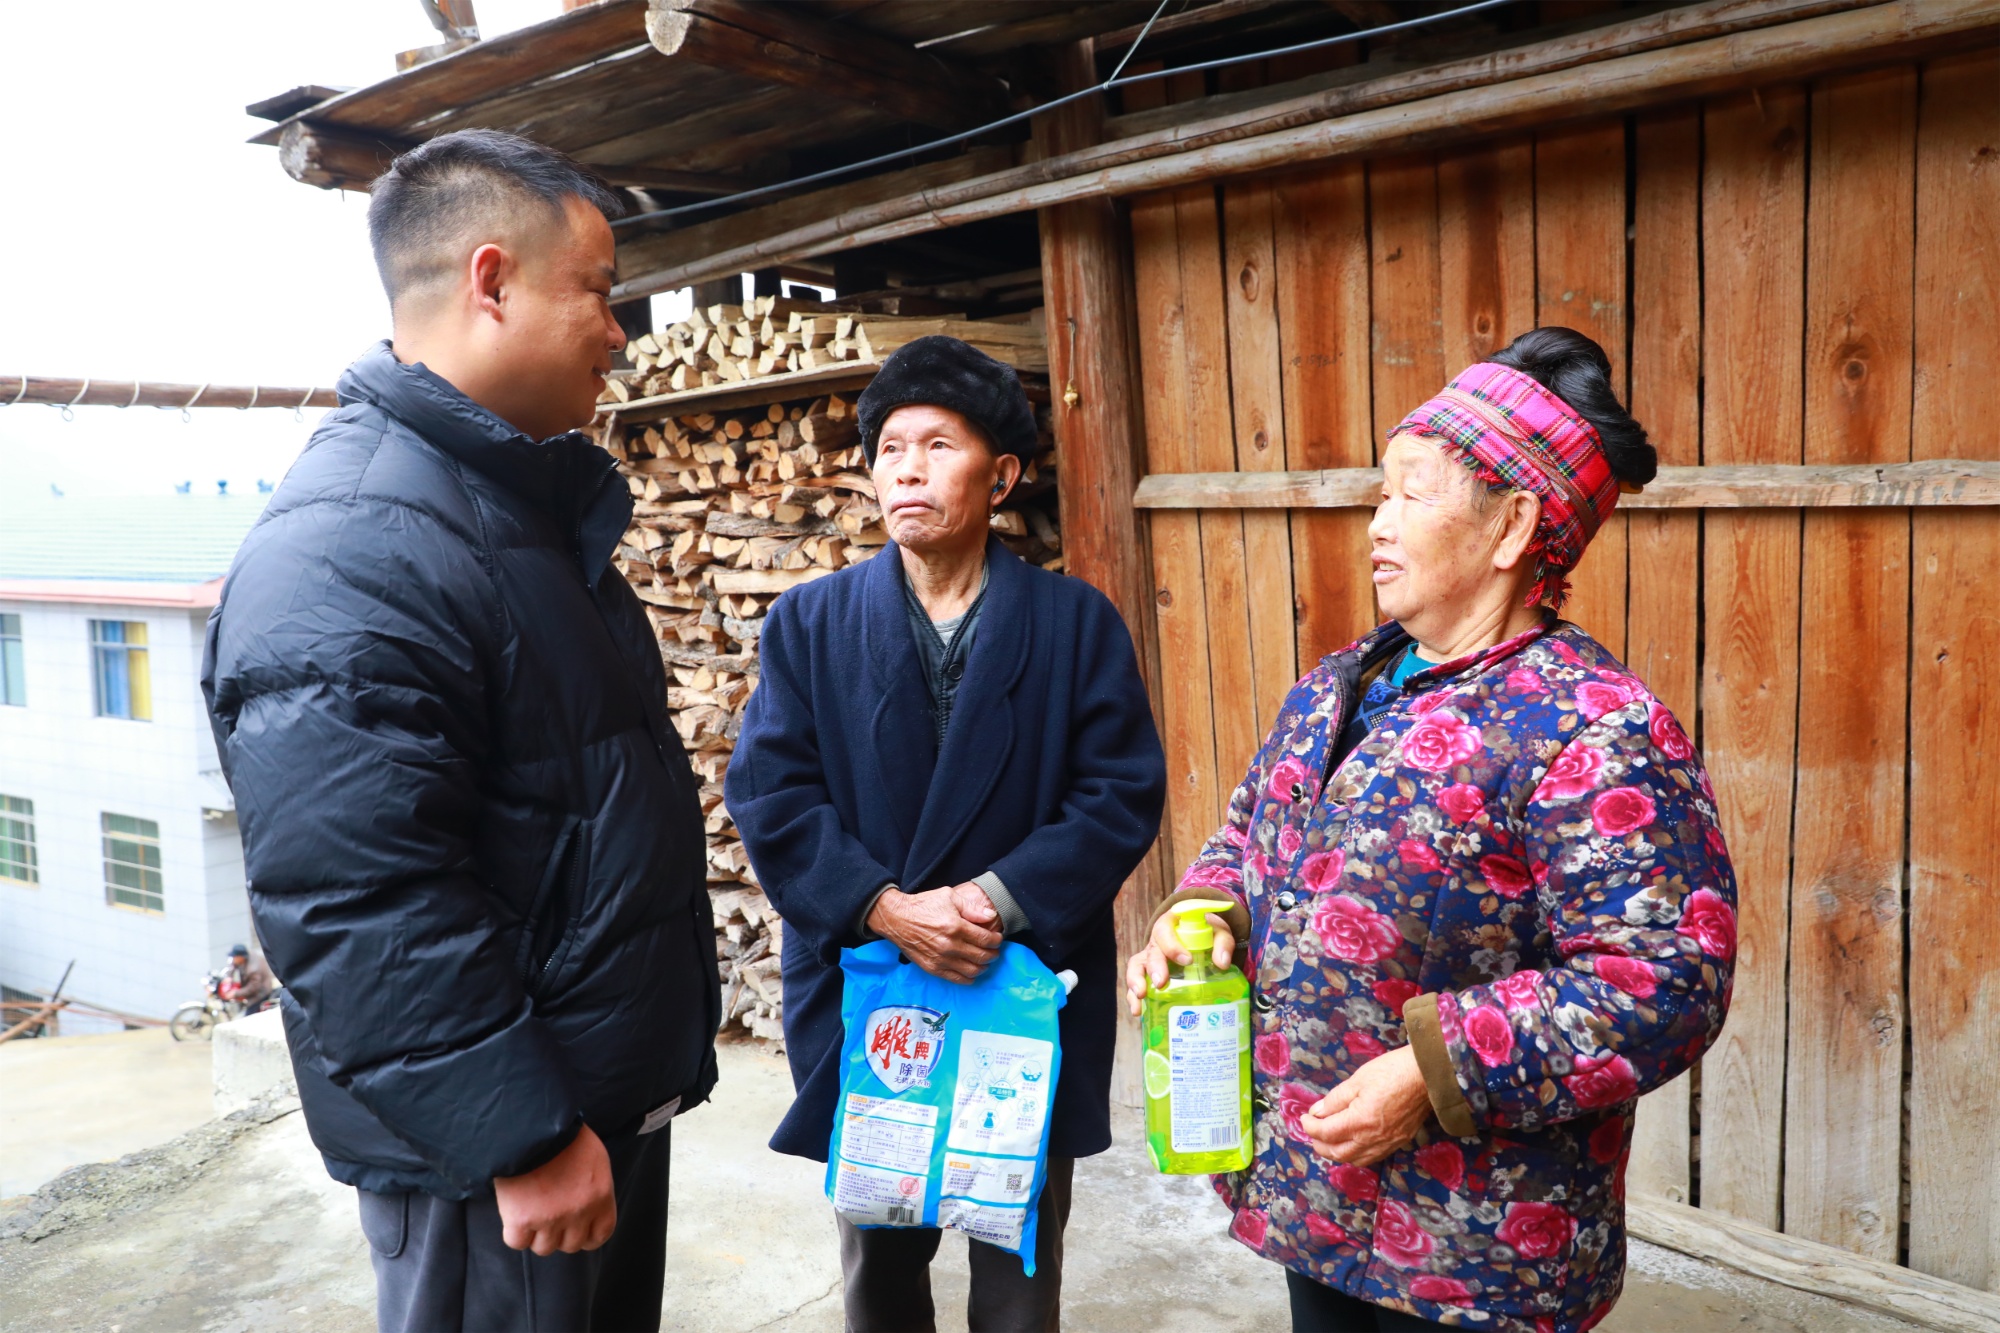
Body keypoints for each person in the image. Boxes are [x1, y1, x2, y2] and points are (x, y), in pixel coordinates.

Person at [202, 129, 719, 1333]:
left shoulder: (502, 511)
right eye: (598, 290)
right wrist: (518, 1133)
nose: (617, 332)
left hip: (586, 1104)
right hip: (493, 1157)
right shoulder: (354, 548)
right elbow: (358, 898)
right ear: (491, 280)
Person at [1128, 328, 1737, 1333]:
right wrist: (1197, 915)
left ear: (1512, 526)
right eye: (1381, 493)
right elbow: (1246, 834)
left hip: (1476, 1251)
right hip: (1314, 1188)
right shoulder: (1340, 682)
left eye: (1411, 493)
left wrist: (1429, 1068)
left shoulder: (1593, 725)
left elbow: (1666, 979)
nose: (1377, 522)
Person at [728, 335, 1167, 1332]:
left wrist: (987, 904)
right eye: (889, 449)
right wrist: (884, 906)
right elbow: (771, 792)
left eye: (937, 445)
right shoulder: (808, 624)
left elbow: (1118, 792)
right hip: (872, 979)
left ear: (1000, 476)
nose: (907, 469)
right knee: (879, 1267)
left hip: (1017, 978)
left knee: (1016, 1272)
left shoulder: (1074, 624)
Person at [221, 944, 275, 1013]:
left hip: (261, 992)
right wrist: (229, 976)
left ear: (240, 957)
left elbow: (253, 988)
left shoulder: (253, 969)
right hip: (254, 985)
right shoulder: (246, 955)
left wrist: (235, 993)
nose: (233, 959)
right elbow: (234, 964)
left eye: (234, 957)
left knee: (249, 1013)